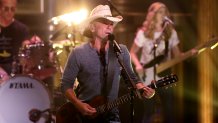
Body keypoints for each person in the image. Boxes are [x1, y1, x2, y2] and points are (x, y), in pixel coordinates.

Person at [60, 4, 155, 123]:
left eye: (111, 23)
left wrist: (145, 90)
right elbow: (65, 85)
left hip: (111, 115)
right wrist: (78, 104)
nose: (110, 26)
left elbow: (132, 79)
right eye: (105, 22)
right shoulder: (77, 53)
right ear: (92, 27)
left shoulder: (121, 51)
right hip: (83, 116)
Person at [130, 2, 197, 123]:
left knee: (169, 111)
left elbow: (178, 55)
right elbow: (132, 52)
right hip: (147, 77)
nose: (163, 14)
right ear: (153, 14)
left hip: (165, 76)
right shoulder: (143, 33)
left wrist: (190, 53)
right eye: (160, 11)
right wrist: (138, 65)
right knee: (148, 111)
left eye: (164, 12)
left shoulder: (170, 33)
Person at [0, 0, 29, 84]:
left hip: (14, 70)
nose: (9, 12)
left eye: (12, 9)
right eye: (6, 9)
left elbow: (25, 52)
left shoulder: (22, 29)